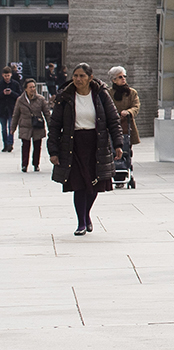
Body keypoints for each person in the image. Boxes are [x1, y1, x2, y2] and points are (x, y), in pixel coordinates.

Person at [49, 64, 120, 236]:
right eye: (75, 76)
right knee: (78, 184)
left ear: (90, 77)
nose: (78, 79)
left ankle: (86, 213)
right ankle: (81, 222)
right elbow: (55, 124)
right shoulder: (65, 96)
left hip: (96, 144)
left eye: (81, 76)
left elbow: (113, 119)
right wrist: (53, 150)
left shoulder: (101, 94)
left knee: (95, 184)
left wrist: (118, 144)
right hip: (73, 145)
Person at [109, 66, 141, 184]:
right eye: (120, 77)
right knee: (112, 150)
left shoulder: (131, 93)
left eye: (124, 76)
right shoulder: (109, 93)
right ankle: (115, 172)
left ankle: (125, 171)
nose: (123, 79)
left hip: (127, 126)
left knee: (126, 149)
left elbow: (136, 106)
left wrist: (129, 112)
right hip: (112, 126)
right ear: (114, 80)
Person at [15, 80, 51, 172]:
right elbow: (16, 114)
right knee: (25, 145)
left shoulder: (40, 99)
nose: (32, 89)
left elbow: (47, 113)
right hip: (25, 125)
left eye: (34, 87)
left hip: (37, 125)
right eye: (30, 87)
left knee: (37, 145)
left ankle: (36, 164)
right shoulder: (20, 100)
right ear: (26, 89)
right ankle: (24, 165)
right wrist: (13, 128)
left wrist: (51, 126)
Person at [0, 63, 21, 154]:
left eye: (8, 75)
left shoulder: (15, 84)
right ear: (2, 75)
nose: (7, 77)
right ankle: (5, 144)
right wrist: (3, 93)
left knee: (11, 127)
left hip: (12, 108)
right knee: (4, 128)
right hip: (2, 109)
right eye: (5, 76)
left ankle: (10, 144)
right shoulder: (0, 84)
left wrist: (11, 93)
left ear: (11, 75)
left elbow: (19, 95)